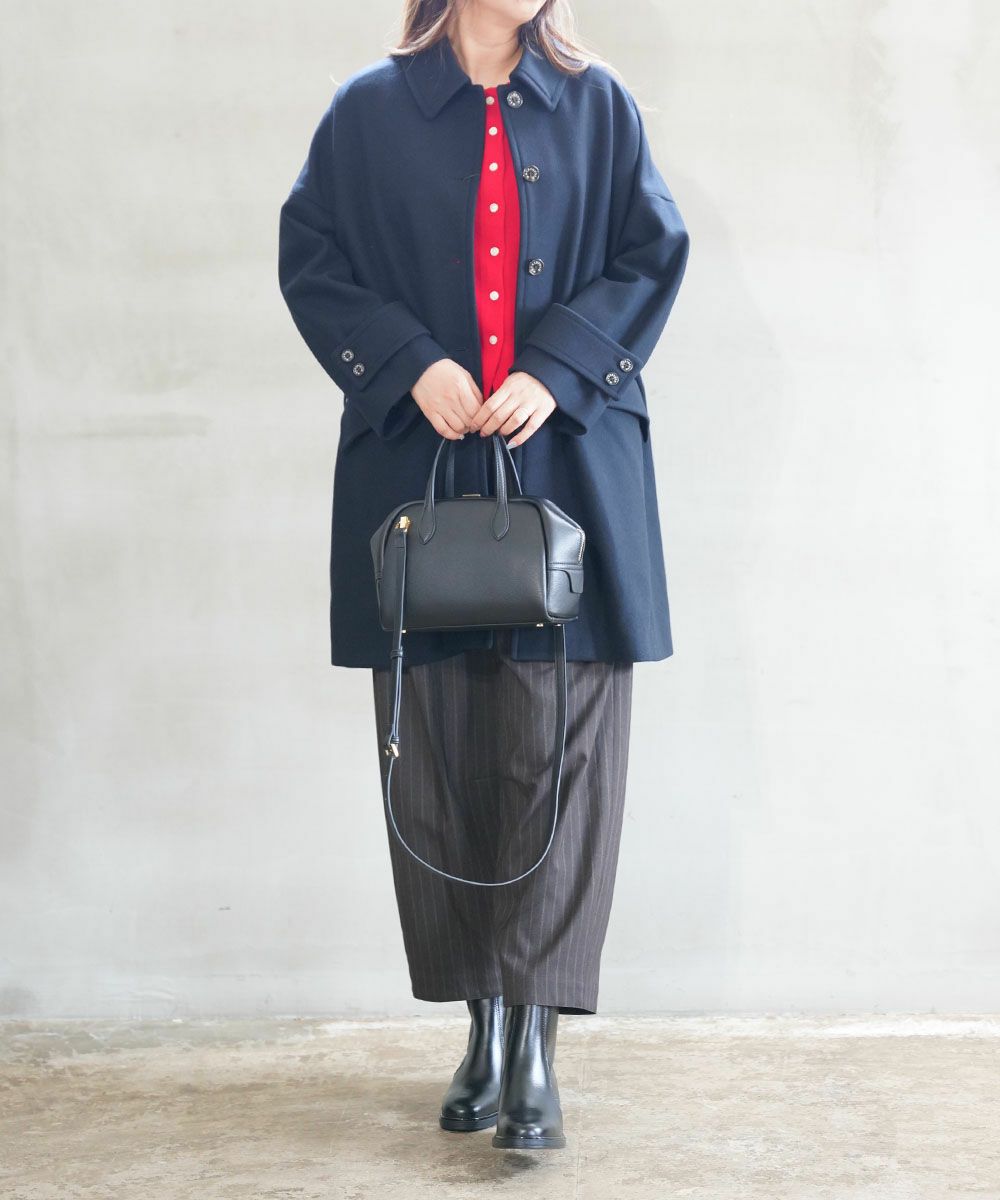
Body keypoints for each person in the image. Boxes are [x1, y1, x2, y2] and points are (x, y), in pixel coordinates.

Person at [278, 0, 689, 1152]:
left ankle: (536, 1040)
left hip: (571, 475)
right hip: (423, 474)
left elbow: (650, 252)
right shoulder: (368, 111)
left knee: (560, 759)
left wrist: (559, 368)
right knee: (441, 758)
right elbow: (312, 255)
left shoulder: (598, 103)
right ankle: (482, 1025)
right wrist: (408, 363)